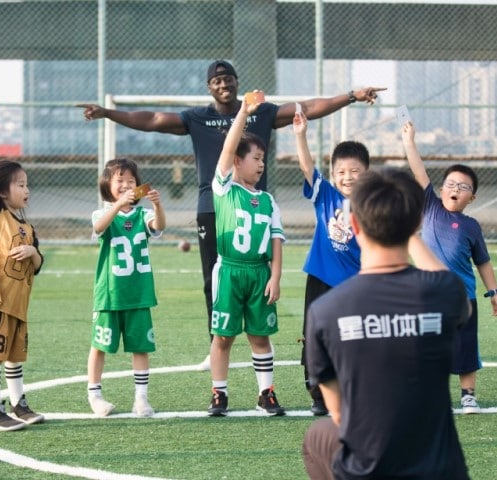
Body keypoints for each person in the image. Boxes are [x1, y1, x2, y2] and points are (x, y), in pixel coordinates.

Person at [78, 60, 384, 370]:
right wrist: (107, 113)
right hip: (213, 210)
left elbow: (306, 106)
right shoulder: (198, 118)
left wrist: (351, 95)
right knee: (214, 280)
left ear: (238, 82)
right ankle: (217, 344)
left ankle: (259, 337)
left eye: (229, 79)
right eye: (217, 81)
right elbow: (154, 118)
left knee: (259, 275)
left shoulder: (262, 112)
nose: (223, 85)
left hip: (254, 212)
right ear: (209, 87)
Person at [302, 168, 471, 480]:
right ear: (417, 224)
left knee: (319, 434)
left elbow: (340, 415)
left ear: (354, 225)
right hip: (442, 471)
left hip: (368, 471)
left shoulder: (325, 311)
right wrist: (411, 234)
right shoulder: (445, 293)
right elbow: (449, 284)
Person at [402, 120, 497, 414]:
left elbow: (483, 262)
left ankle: (468, 395)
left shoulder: (472, 226)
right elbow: (418, 171)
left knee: (465, 346)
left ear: (471, 197)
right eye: (450, 184)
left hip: (464, 298)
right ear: (441, 188)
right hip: (428, 294)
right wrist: (410, 141)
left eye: (463, 187)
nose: (455, 189)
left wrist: (494, 292)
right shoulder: (431, 207)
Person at [206, 92, 285, 417]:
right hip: (229, 271)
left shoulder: (268, 201)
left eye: (264, 160)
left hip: (259, 272)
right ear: (238, 161)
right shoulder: (225, 188)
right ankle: (219, 393)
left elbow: (277, 241)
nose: (261, 164)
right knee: (223, 337)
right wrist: (244, 112)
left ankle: (265, 392)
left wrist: (276, 276)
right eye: (257, 158)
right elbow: (228, 147)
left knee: (259, 335)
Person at [291, 107, 370, 416]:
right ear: (333, 174)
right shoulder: (325, 194)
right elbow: (307, 167)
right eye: (341, 172)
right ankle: (317, 391)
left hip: (355, 284)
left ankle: (354, 389)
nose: (347, 177)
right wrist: (300, 135)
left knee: (353, 337)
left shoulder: (372, 202)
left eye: (355, 172)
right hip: (321, 278)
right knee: (315, 334)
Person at [0, 116, 45, 432]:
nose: (26, 189)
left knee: (15, 357)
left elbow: (38, 265)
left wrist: (32, 252)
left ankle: (19, 405)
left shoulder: (27, 228)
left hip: (20, 305)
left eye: (27, 184)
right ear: (1, 192)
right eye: (20, 184)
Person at [86, 158, 166, 418]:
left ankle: (141, 398)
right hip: (110, 295)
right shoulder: (102, 213)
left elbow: (159, 226)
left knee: (140, 346)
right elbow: (99, 227)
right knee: (100, 345)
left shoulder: (143, 214)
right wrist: (118, 205)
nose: (126, 185)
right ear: (107, 185)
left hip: (139, 293)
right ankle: (95, 395)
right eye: (119, 180)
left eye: (131, 181)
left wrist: (157, 204)